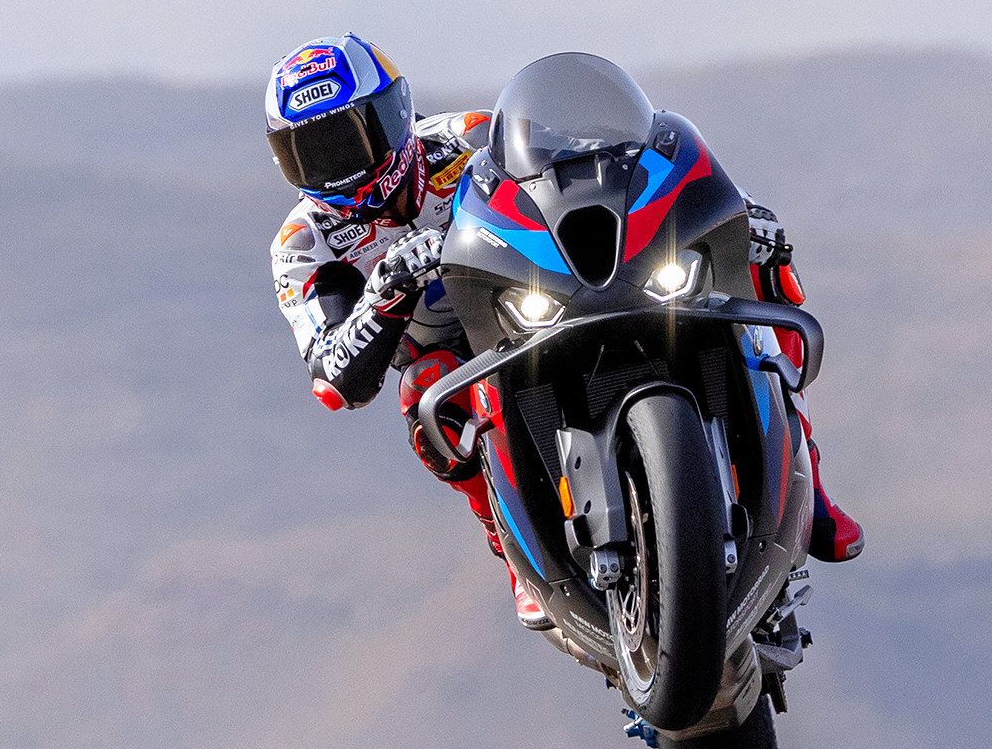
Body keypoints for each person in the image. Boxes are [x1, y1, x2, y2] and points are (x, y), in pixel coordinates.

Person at [264, 34, 862, 630]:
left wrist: (732, 208)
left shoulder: (470, 138)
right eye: (309, 153)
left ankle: (808, 476)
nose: (338, 167)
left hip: (554, 296)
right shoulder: (302, 245)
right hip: (464, 356)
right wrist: (386, 290)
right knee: (424, 393)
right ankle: (514, 552)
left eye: (348, 138)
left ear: (393, 113)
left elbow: (611, 161)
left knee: (753, 264)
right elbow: (333, 379)